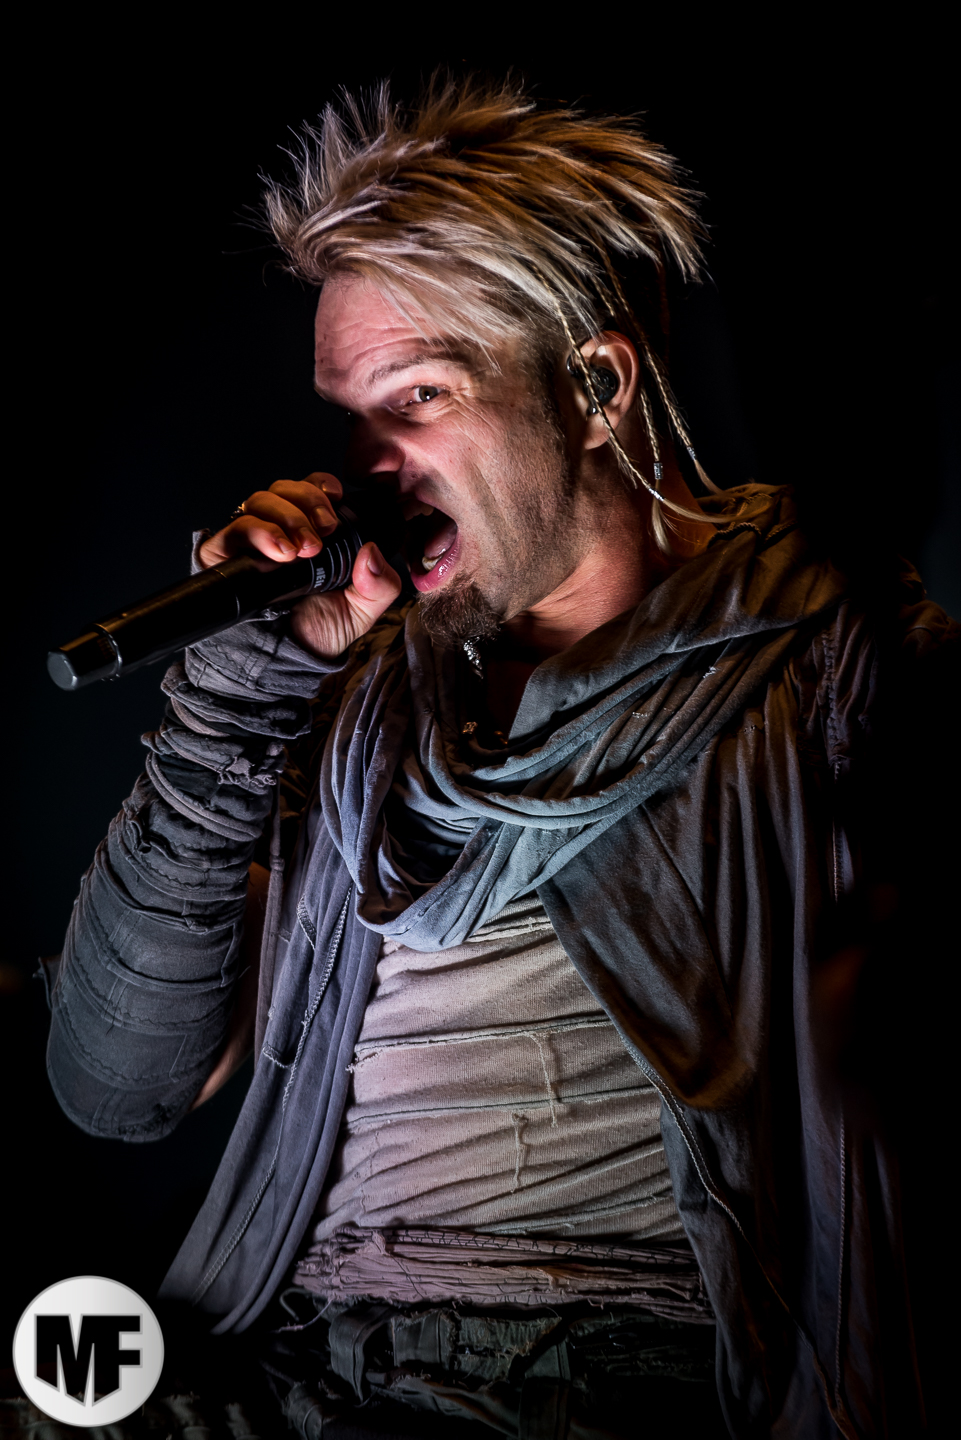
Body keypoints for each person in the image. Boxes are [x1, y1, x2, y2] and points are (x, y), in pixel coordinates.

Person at [44, 78, 954, 1438]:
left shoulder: (838, 672)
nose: (369, 469)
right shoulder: (358, 708)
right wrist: (239, 692)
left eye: (418, 396)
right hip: (302, 1377)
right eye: (352, 416)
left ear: (595, 387)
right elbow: (117, 1091)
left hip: (631, 1387)